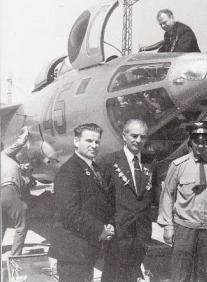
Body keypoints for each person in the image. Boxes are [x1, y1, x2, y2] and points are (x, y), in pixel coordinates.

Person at [157, 121, 207, 282]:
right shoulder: (178, 165)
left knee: (203, 276)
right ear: (191, 142)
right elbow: (168, 196)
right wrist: (168, 226)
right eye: (197, 141)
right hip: (184, 229)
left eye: (205, 142)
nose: (201, 146)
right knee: (180, 275)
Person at [48, 123, 115, 282]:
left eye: (97, 142)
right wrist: (101, 229)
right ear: (76, 141)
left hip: (85, 247)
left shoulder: (93, 167)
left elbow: (99, 202)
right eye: (88, 141)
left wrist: (110, 224)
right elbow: (70, 212)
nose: (93, 145)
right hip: (72, 250)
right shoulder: (68, 171)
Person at [100, 119, 155, 282]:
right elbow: (102, 197)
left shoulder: (151, 162)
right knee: (113, 273)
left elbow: (152, 194)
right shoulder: (109, 161)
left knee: (133, 273)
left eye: (143, 137)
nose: (138, 141)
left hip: (141, 232)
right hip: (118, 230)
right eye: (134, 136)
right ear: (124, 136)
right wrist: (107, 224)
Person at [1, 126, 32, 256]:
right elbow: (17, 144)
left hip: (3, 192)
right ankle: (15, 256)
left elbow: (21, 180)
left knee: (1, 227)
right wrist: (25, 133)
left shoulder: (6, 161)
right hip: (9, 191)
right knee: (21, 226)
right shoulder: (3, 154)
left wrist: (23, 169)